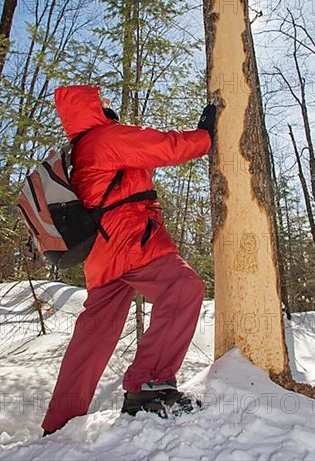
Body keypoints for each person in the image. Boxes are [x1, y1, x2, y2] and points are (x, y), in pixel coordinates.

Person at [42, 84, 216, 435]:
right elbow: (164, 146)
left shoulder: (78, 149)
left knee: (93, 336)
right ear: (92, 109)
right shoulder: (105, 138)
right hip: (129, 240)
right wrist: (205, 135)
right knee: (183, 288)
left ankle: (58, 425)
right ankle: (148, 387)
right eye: (101, 101)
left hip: (102, 254)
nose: (107, 104)